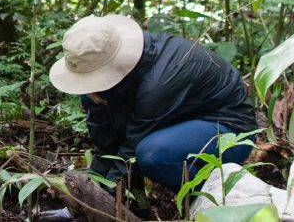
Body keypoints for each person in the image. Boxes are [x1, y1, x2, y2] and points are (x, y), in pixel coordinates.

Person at [49, 15, 257, 194]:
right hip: (177, 119)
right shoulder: (135, 68)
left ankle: (211, 197)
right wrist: (90, 185)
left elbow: (131, 151)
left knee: (152, 155)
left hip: (229, 131)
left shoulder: (158, 84)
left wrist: (104, 197)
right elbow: (106, 145)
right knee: (92, 97)